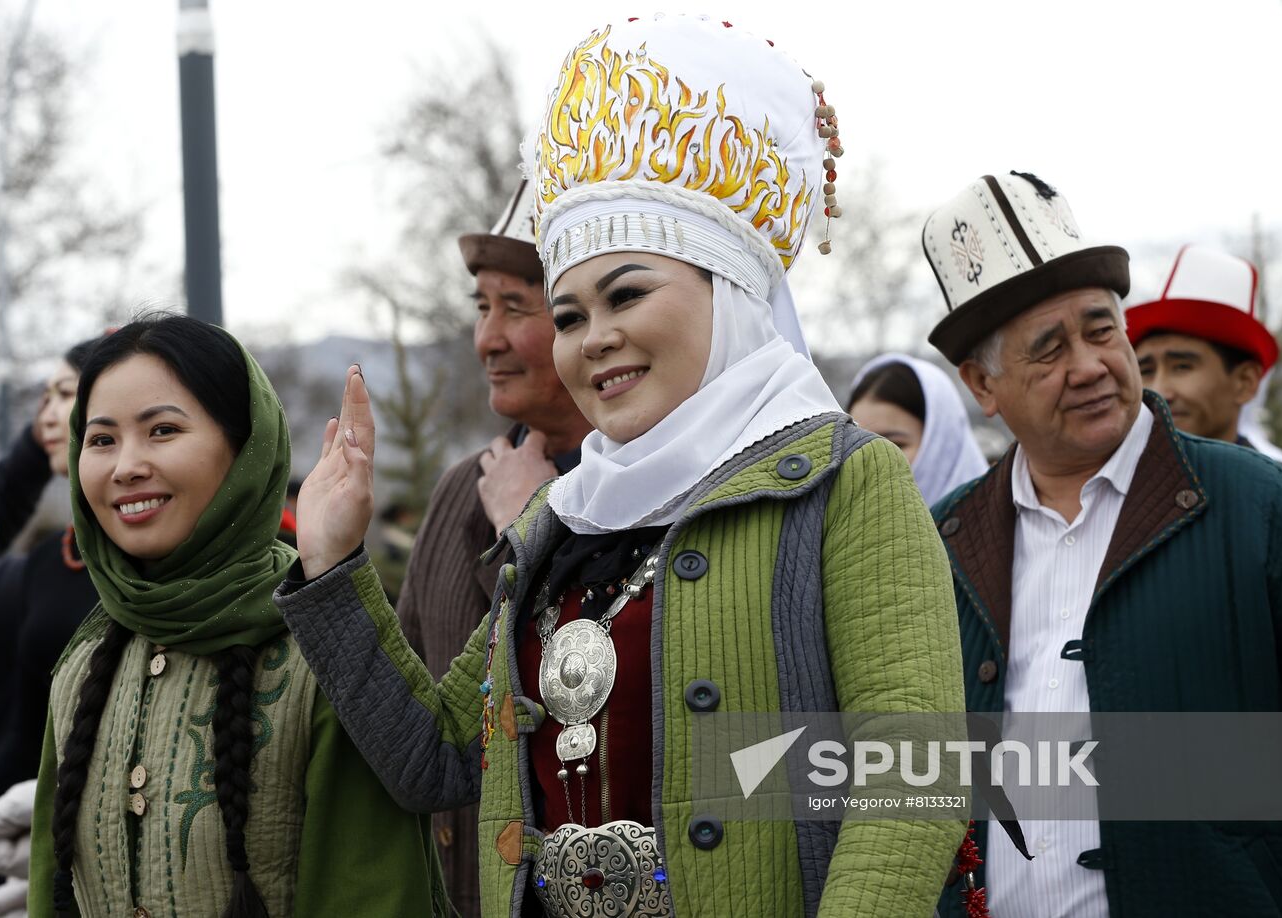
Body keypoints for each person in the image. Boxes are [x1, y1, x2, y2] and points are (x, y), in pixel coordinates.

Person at [279, 15, 967, 918]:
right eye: (567, 317)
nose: (594, 338)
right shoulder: (560, 522)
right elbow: (433, 757)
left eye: (628, 294)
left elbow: (909, 777)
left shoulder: (844, 482)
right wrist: (331, 567)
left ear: (730, 294)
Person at [920, 171, 1282, 917]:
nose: (1088, 366)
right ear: (984, 386)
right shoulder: (942, 540)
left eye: (1100, 329)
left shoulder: (1262, 505)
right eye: (1047, 349)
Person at [25, 315, 447, 917]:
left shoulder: (327, 648)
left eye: (163, 430)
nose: (126, 467)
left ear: (244, 445)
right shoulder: (85, 660)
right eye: (101, 439)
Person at [396, 179, 592, 917]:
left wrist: (534, 521)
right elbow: (414, 718)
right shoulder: (456, 495)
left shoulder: (651, 494)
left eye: (517, 307)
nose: (488, 338)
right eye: (482, 308)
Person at [0, 340, 104, 909]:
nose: (45, 416)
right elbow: (31, 715)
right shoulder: (42, 569)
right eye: (44, 397)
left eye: (63, 394)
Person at [1127, 243, 1282, 524]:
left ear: (1245, 381)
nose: (1160, 390)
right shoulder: (1113, 491)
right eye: (1146, 370)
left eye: (1182, 366)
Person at [847, 354, 988, 505]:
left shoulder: (1003, 521)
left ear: (940, 445)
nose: (868, 462)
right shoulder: (833, 524)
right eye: (856, 447)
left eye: (894, 445)